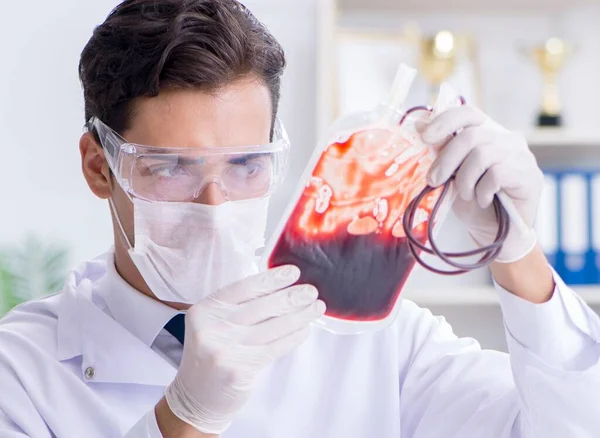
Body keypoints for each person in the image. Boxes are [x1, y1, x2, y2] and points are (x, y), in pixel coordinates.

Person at [1, 0, 599, 437]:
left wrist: (516, 253)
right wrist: (184, 420)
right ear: (100, 167)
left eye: (246, 165)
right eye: (170, 168)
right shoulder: (23, 372)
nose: (216, 204)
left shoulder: (375, 339)